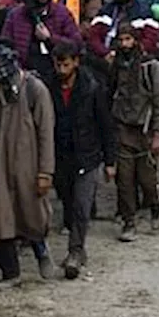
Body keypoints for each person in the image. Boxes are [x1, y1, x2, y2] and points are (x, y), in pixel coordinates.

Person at [0, 42, 56, 288]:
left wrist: (45, 171)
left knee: (32, 213)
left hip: (28, 162)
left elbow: (46, 133)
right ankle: (10, 273)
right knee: (0, 218)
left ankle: (42, 253)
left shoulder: (36, 90)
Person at [44, 40, 116, 279]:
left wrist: (110, 160)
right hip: (60, 155)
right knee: (67, 199)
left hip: (87, 154)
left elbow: (105, 124)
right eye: (57, 64)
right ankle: (76, 246)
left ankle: (76, 250)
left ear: (75, 62)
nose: (61, 69)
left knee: (82, 205)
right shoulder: (48, 87)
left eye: (65, 64)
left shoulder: (92, 87)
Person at [108, 22, 159, 242]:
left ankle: (155, 204)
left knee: (146, 180)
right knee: (124, 180)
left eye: (128, 40)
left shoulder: (149, 66)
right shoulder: (116, 65)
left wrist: (158, 133)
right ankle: (129, 221)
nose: (124, 44)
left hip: (145, 128)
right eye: (121, 40)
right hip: (122, 127)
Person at [2, 0, 84, 77]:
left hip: (55, 71)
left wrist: (50, 38)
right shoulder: (16, 15)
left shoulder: (62, 13)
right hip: (23, 72)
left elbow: (76, 43)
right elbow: (5, 42)